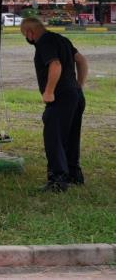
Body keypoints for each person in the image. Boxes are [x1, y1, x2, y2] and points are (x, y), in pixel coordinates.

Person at [20, 17, 88, 192]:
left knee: (54, 138)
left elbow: (55, 64)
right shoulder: (62, 39)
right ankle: (74, 174)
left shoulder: (44, 42)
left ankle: (58, 180)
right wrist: (79, 85)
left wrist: (49, 91)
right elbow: (81, 60)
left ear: (30, 33)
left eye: (25, 35)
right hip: (75, 95)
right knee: (72, 136)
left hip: (61, 97)